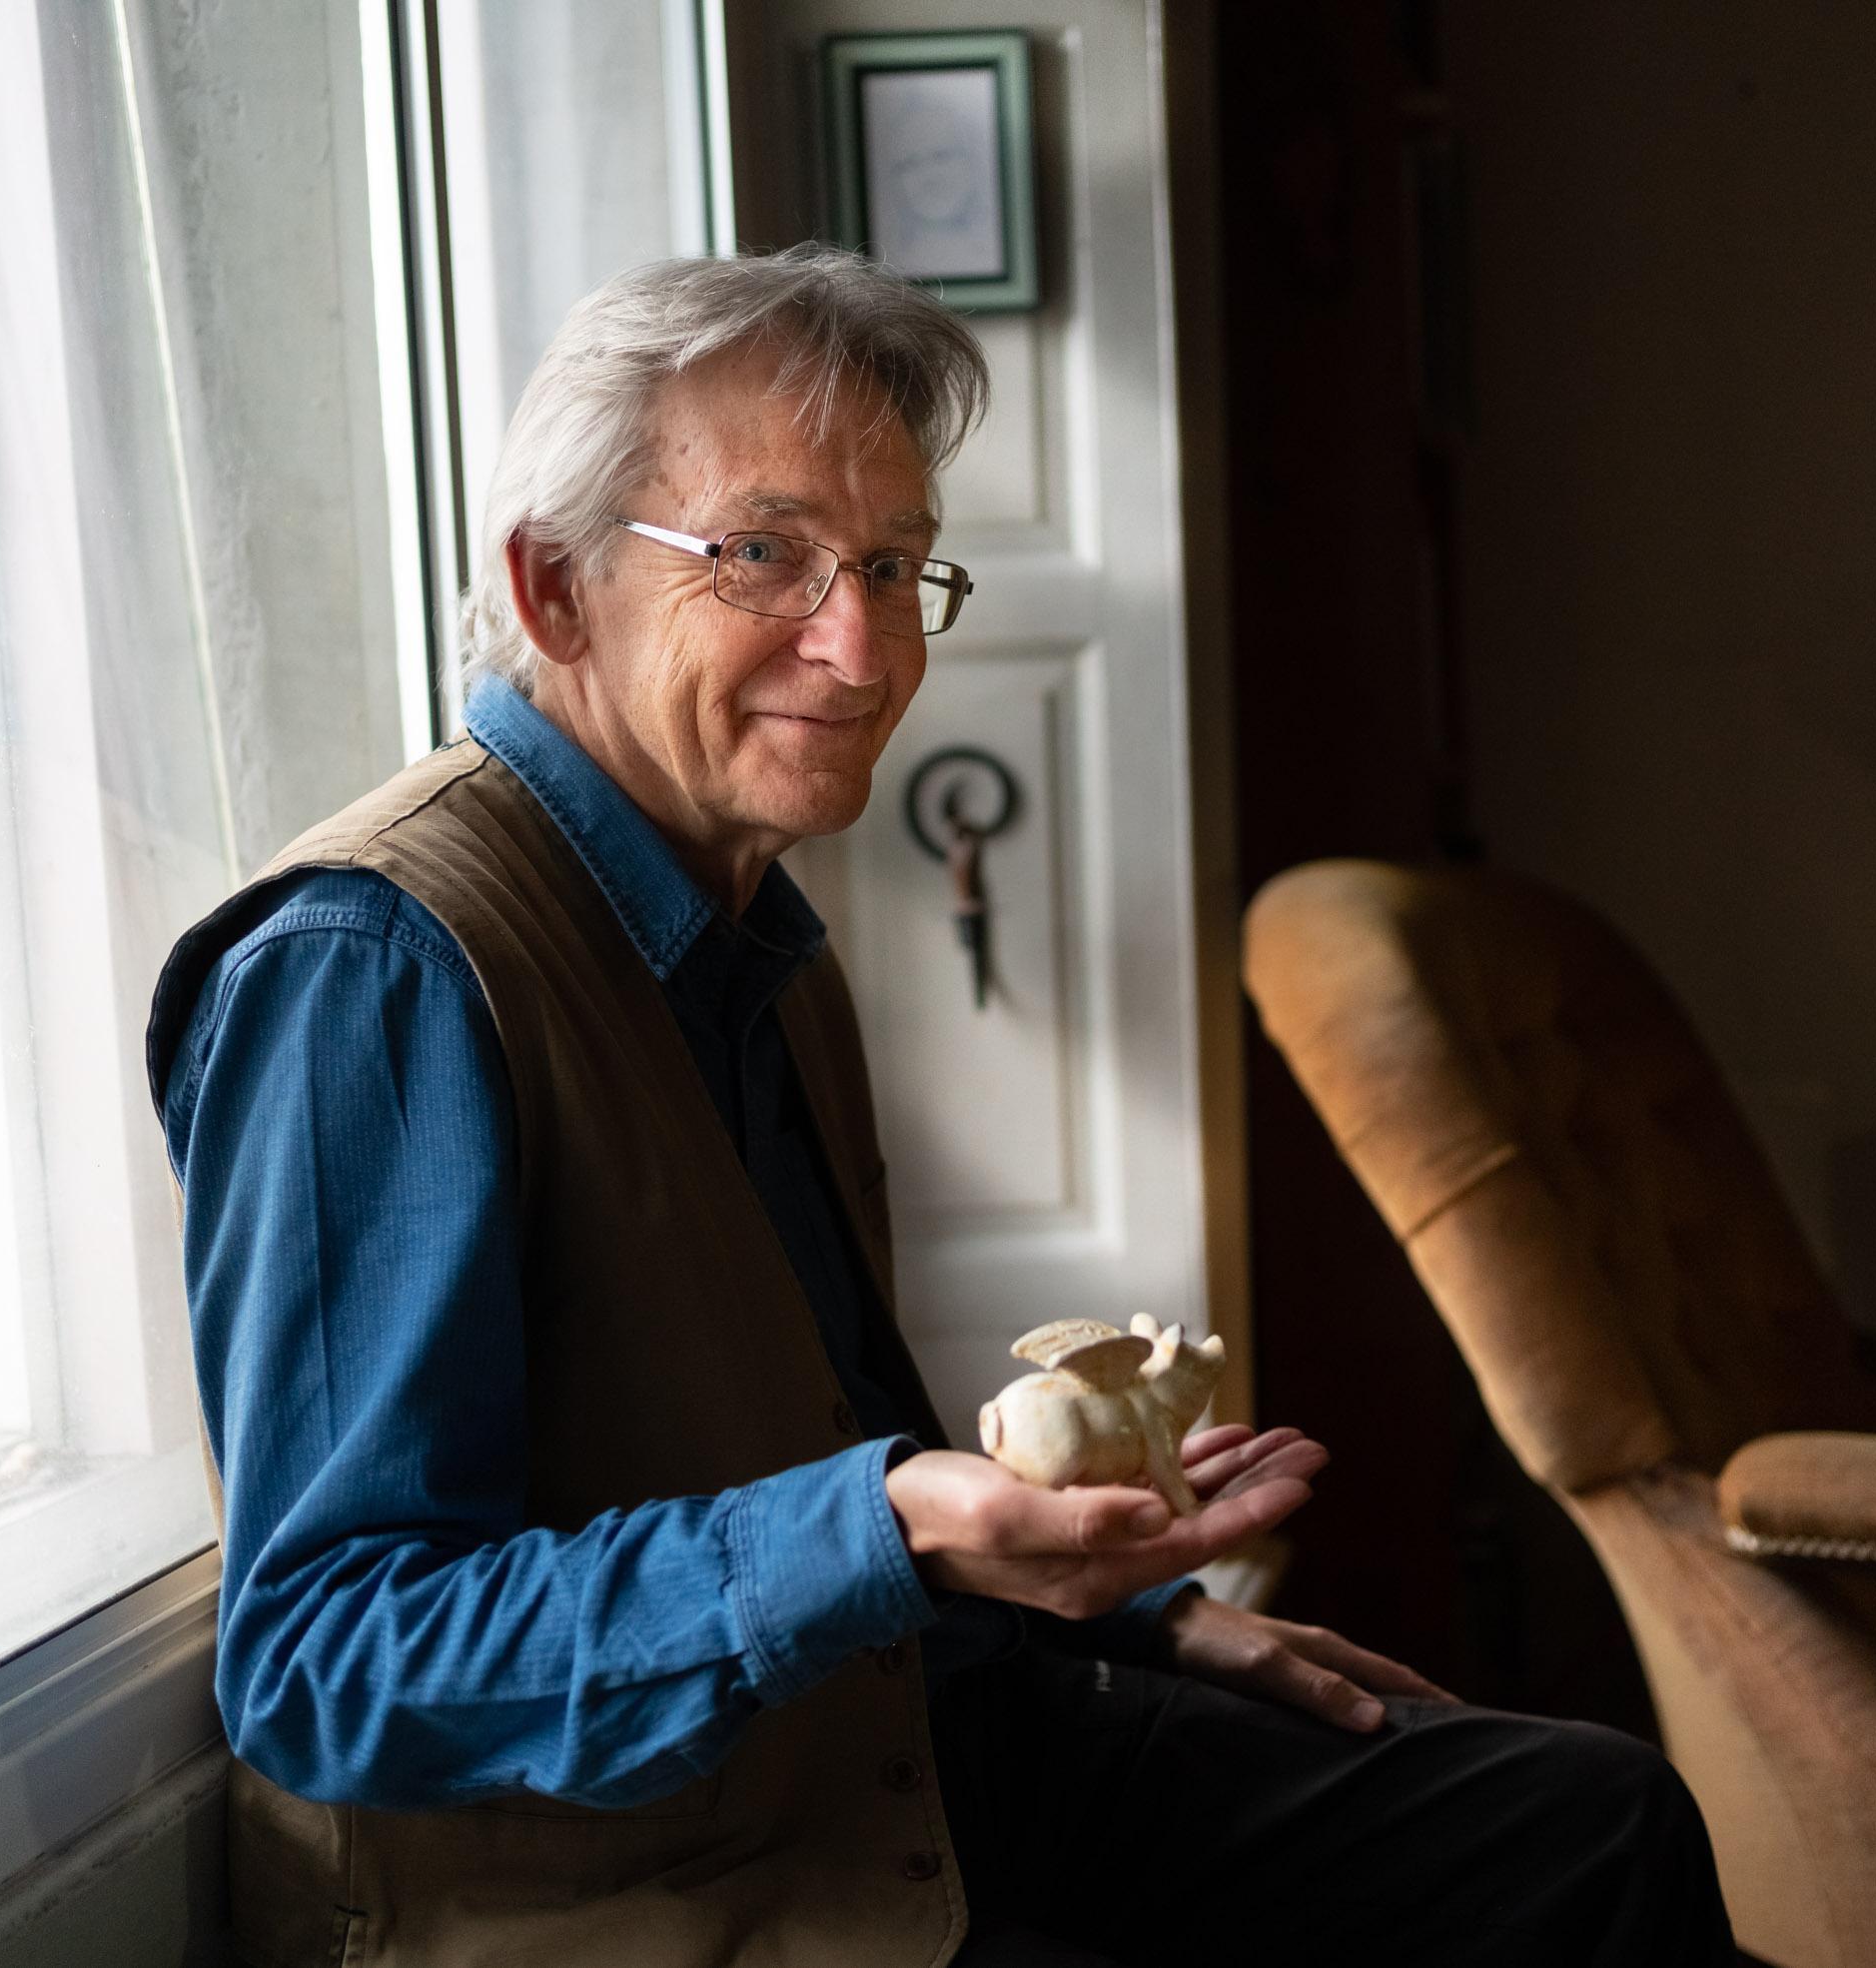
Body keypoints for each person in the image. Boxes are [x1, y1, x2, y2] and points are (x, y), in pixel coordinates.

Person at [146, 244, 1731, 1968]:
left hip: (915, 1763)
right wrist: (894, 1522)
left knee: (1589, 1823)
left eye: (893, 564)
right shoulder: (375, 962)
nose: (859, 644)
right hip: (655, 1899)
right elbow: (330, 1662)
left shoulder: (757, 933)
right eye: (763, 554)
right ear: (553, 592)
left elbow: (799, 1487)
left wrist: (1126, 1610)